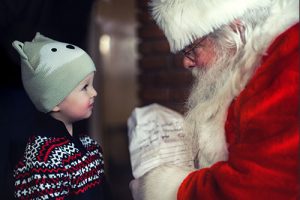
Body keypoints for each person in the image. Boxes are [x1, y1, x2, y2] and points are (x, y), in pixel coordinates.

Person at [129, 0, 299, 199]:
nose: (186, 62)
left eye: (192, 49)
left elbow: (259, 186)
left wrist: (169, 189)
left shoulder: (288, 60)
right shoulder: (253, 65)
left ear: (235, 29)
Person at [11, 33, 111, 199]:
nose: (94, 92)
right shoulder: (43, 158)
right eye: (85, 87)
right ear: (54, 101)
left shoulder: (90, 147)